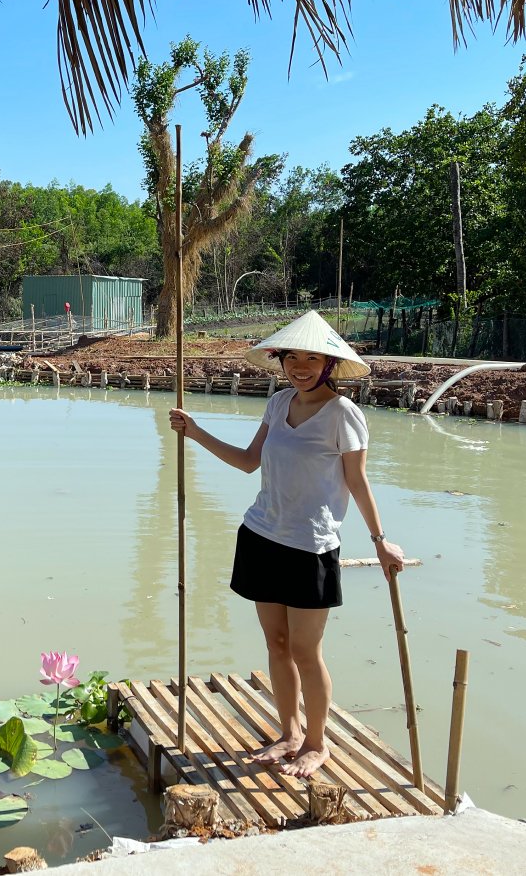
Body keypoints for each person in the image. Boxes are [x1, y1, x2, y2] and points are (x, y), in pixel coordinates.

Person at [169, 309, 405, 779]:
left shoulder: (344, 415)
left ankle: (318, 744)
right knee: (276, 644)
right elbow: (247, 462)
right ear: (280, 361)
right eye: (291, 357)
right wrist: (194, 433)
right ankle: (289, 733)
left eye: (311, 359)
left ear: (328, 365)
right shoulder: (278, 405)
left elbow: (357, 482)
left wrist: (380, 540)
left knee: (305, 650)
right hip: (261, 536)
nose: (299, 367)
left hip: (311, 547)